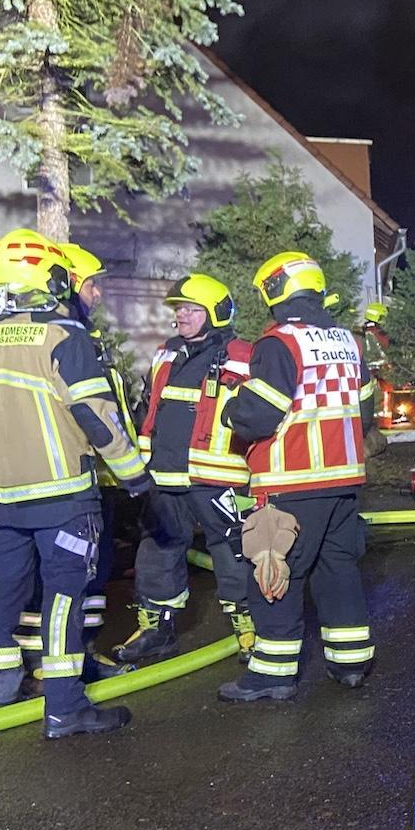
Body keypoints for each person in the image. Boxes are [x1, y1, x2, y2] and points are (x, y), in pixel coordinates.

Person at [0, 230, 149, 737]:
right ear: (50, 278)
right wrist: (134, 476)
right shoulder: (62, 336)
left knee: (6, 585)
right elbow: (97, 419)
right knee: (63, 598)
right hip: (60, 497)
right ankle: (65, 707)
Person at [214, 252, 376, 702]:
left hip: (292, 480)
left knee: (275, 572)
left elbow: (259, 415)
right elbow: (365, 412)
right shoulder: (349, 341)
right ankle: (351, 663)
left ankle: (271, 674)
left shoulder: (279, 343)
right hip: (344, 482)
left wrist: (231, 407)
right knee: (337, 569)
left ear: (274, 290)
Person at [112, 274, 256, 664]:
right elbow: (152, 407)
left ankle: (250, 626)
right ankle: (156, 629)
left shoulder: (243, 354)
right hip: (165, 475)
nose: (183, 317)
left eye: (192, 310)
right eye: (180, 310)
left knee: (232, 550)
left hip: (217, 476)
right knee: (157, 549)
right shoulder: (167, 352)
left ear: (216, 313)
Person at [14, 242, 128, 673]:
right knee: (61, 575)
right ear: (68, 284)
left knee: (89, 574)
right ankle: (53, 662)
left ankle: (77, 653)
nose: (98, 294)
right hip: (69, 479)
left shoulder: (81, 337)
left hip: (93, 477)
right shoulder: (61, 338)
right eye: (92, 284)